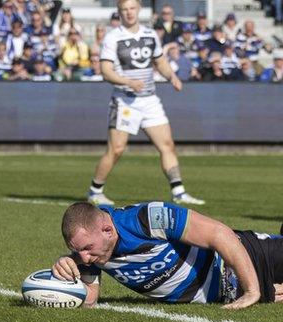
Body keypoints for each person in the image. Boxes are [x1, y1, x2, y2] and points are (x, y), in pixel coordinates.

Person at [51, 201, 283, 309]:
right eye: (77, 252)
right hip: (223, 293)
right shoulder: (91, 254)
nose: (85, 258)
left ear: (107, 228)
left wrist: (252, 291)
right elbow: (89, 299)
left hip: (249, 254)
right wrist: (65, 275)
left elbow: (220, 234)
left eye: (86, 250)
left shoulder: (147, 218)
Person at [87, 0, 204, 206]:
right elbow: (106, 71)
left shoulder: (150, 35)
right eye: (125, 9)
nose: (129, 13)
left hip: (149, 100)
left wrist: (173, 77)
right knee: (116, 149)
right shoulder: (113, 37)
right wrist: (128, 82)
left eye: (132, 8)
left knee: (167, 145)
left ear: (139, 10)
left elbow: (160, 62)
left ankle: (179, 191)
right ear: (119, 12)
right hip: (125, 100)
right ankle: (95, 190)